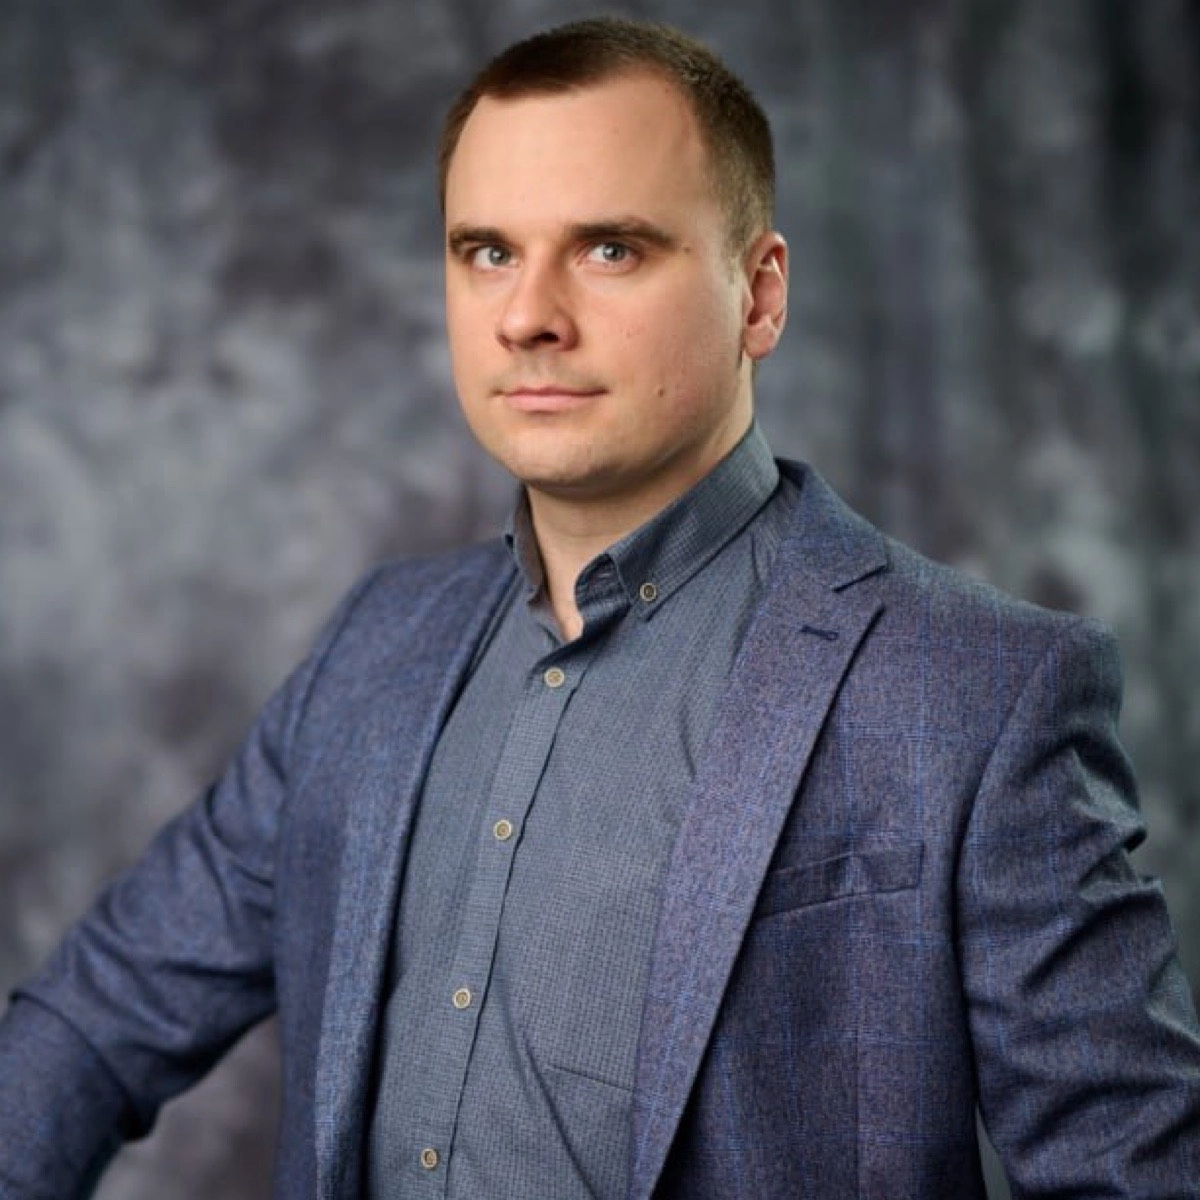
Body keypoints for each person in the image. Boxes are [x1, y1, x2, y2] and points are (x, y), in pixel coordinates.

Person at [1, 15, 1198, 1199]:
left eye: (610, 249)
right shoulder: (379, 641)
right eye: (487, 251)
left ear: (758, 296)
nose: (528, 315)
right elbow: (100, 1016)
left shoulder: (975, 690)